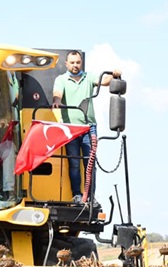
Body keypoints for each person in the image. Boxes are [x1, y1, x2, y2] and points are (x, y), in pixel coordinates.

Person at [52, 50, 122, 202]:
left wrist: (114, 75)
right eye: (72, 63)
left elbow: (104, 81)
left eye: (77, 62)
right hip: (71, 129)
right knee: (74, 163)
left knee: (90, 164)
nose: (75, 65)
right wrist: (57, 101)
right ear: (66, 64)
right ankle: (76, 195)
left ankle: (90, 197)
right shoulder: (61, 79)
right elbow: (57, 93)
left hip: (89, 127)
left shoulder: (88, 77)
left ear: (81, 62)